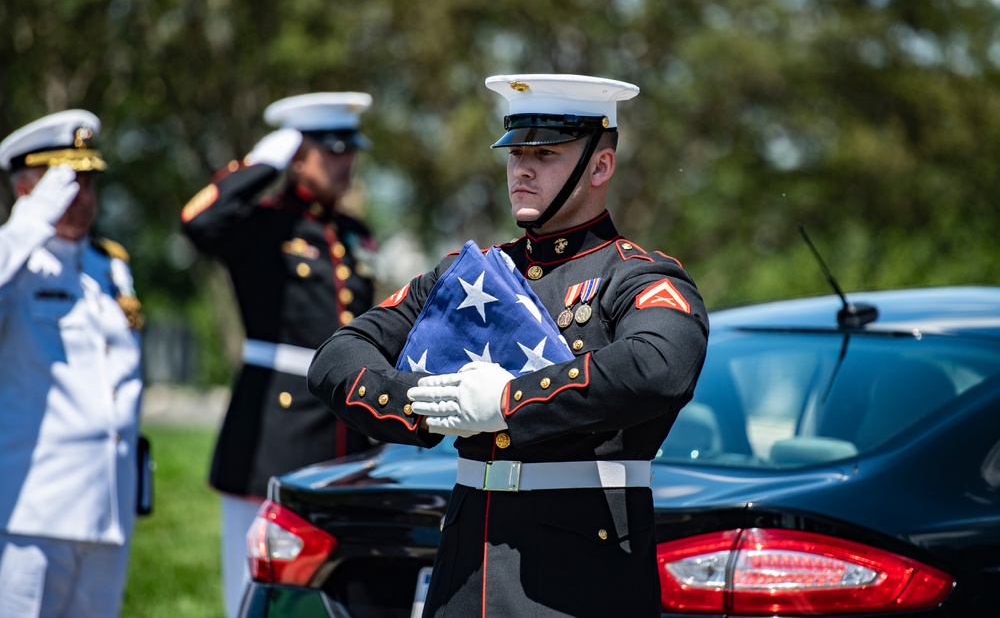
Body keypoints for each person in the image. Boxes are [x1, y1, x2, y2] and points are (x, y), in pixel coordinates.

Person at [308, 74, 710, 617]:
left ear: (600, 166)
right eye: (515, 151)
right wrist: (430, 401)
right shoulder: (466, 275)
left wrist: (506, 402)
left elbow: (659, 366)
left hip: (577, 585)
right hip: (463, 574)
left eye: (544, 154)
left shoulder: (635, 276)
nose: (521, 169)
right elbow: (338, 356)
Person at [180, 92, 380, 617]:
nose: (345, 161)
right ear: (297, 154)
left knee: (337, 594)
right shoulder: (262, 225)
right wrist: (263, 162)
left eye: (349, 149)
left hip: (345, 436)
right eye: (330, 149)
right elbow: (199, 222)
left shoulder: (354, 234)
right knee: (259, 591)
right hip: (273, 429)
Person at [0, 110, 144, 618]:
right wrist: (27, 225)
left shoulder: (110, 265)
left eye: (88, 179)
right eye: (66, 181)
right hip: (33, 512)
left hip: (108, 508)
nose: (82, 194)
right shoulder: (15, 265)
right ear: (26, 188)